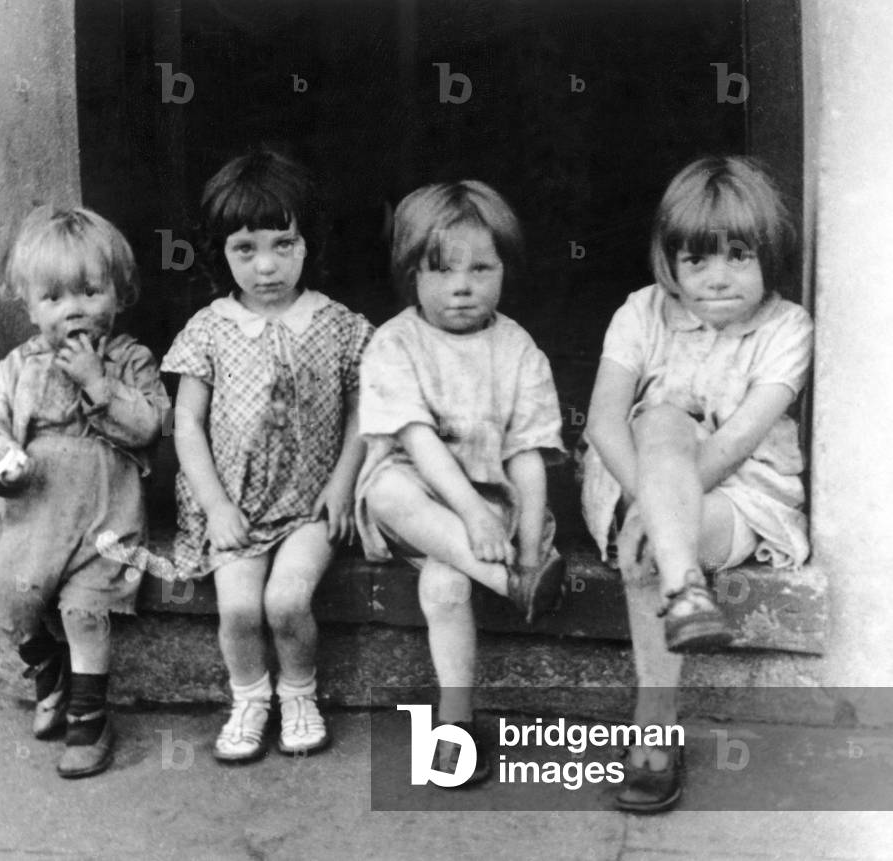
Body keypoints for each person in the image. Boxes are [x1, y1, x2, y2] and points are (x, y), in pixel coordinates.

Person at [582, 156, 813, 812]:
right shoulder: (641, 312)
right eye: (697, 259)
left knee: (660, 540)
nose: (717, 278)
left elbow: (739, 439)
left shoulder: (784, 327)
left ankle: (651, 731)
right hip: (630, 475)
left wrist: (658, 513)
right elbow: (602, 422)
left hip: (740, 492)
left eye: (738, 256)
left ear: (767, 253)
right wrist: (649, 500)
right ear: (669, 260)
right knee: (657, 418)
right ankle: (685, 597)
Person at [163, 149, 373, 763]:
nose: (267, 266)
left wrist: (342, 483)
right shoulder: (210, 328)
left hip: (309, 505)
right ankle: (250, 697)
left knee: (285, 601)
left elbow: (365, 408)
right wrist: (216, 506)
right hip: (236, 505)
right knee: (237, 607)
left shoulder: (336, 325)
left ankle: (300, 694)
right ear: (219, 252)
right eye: (245, 249)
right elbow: (188, 424)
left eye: (285, 243)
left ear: (310, 242)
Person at [355, 180, 566, 786]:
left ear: (505, 270)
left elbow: (527, 452)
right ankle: (512, 586)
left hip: (494, 516)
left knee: (446, 590)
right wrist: (470, 515)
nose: (463, 285)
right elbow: (416, 441)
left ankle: (456, 724)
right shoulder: (394, 343)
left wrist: (527, 540)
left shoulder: (518, 347)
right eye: (441, 269)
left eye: (482, 267)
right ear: (411, 273)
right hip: (421, 509)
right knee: (386, 487)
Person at [0, 206, 171, 779]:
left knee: (84, 610)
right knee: (6, 597)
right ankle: (45, 665)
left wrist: (98, 384)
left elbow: (152, 424)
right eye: (54, 298)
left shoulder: (129, 360)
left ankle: (89, 715)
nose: (74, 307)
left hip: (105, 507)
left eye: (90, 290)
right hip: (33, 508)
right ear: (29, 306)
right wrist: (0, 465)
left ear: (120, 293)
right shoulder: (17, 367)